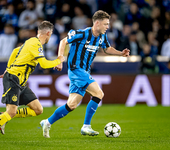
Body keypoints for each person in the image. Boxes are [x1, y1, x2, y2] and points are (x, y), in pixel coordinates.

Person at [40, 10, 130, 138]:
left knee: (71, 105)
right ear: (97, 23)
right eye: (105, 24)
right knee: (99, 93)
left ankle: (47, 122)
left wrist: (120, 53)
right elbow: (63, 41)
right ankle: (86, 126)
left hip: (84, 71)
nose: (107, 27)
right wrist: (60, 59)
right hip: (76, 70)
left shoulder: (102, 36)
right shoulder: (82, 33)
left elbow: (107, 48)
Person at [0, 21, 64, 143]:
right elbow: (44, 64)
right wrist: (59, 60)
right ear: (48, 33)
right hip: (14, 78)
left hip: (20, 82)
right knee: (12, 111)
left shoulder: (30, 41)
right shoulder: (36, 44)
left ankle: (3, 116)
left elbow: (14, 51)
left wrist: (8, 68)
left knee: (38, 109)